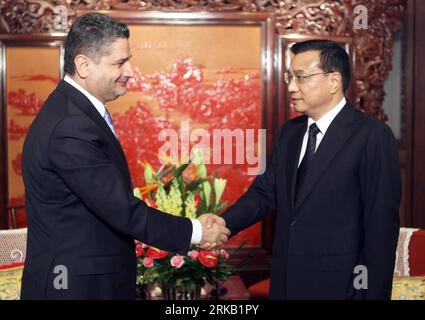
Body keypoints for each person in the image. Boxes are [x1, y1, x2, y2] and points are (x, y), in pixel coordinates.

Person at [20, 12, 229, 300]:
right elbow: (120, 209)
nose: (130, 71)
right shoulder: (71, 125)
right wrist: (196, 232)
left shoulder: (77, 112)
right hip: (73, 287)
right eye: (120, 62)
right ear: (83, 65)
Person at [222, 40, 401, 299]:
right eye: (290, 77)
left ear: (334, 81)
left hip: (341, 287)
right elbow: (263, 193)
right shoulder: (290, 133)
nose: (292, 87)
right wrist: (223, 223)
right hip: (286, 281)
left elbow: (380, 227)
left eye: (301, 77)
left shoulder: (371, 136)